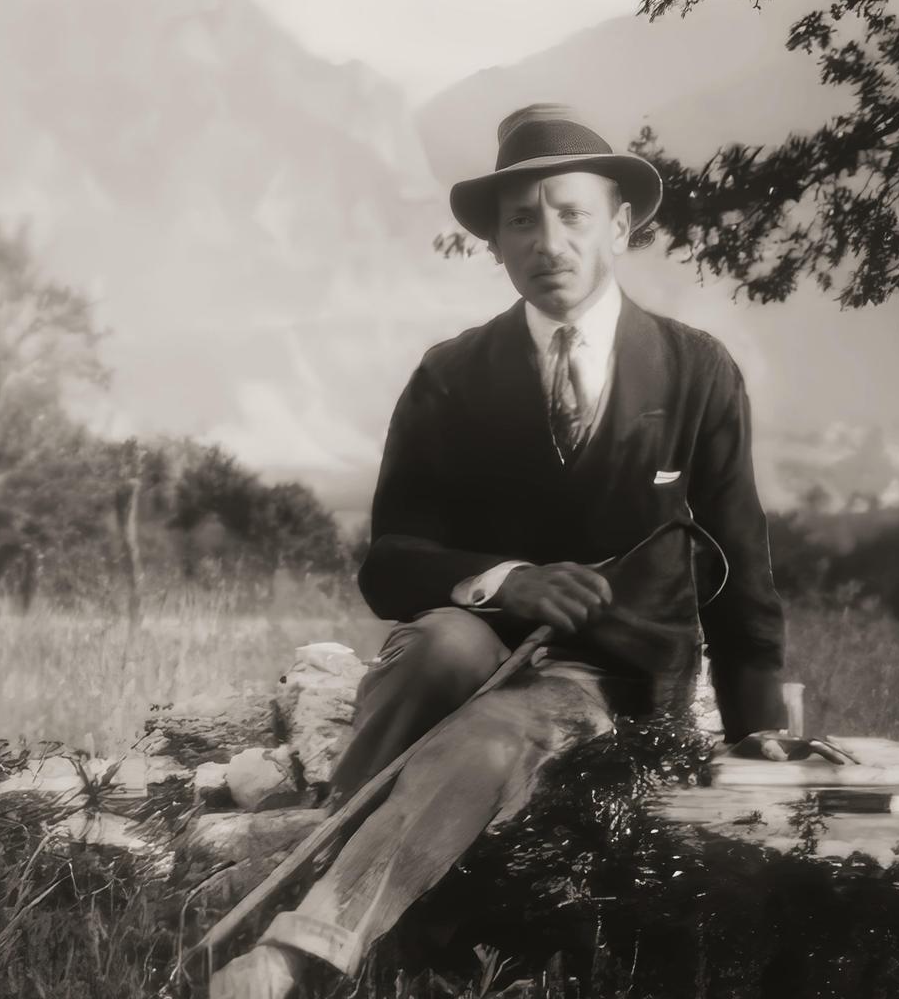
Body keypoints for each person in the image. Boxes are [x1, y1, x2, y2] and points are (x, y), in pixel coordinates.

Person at [208, 104, 853, 999]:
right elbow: (388, 562)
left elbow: (740, 563)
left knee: (492, 732)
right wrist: (511, 582)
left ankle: (306, 947)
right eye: (522, 219)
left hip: (615, 678)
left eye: (573, 214)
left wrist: (761, 727)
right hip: (471, 646)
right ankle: (337, 848)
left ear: (620, 227)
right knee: (439, 644)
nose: (548, 241)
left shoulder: (695, 371)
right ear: (496, 243)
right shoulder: (451, 374)